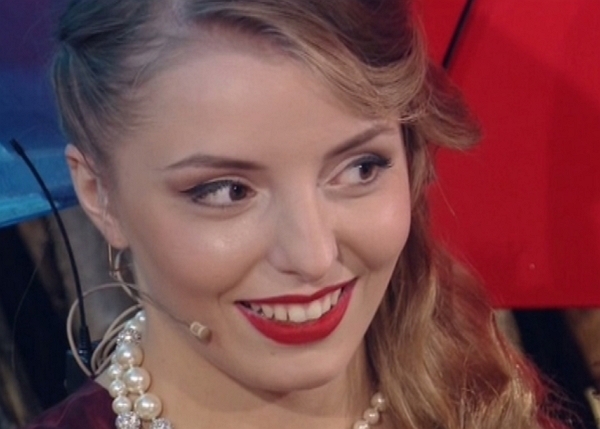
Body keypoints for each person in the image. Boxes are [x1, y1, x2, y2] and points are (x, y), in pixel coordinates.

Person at [25, 0, 568, 428]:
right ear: (100, 195)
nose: (313, 256)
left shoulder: (487, 401)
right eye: (226, 191)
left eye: (360, 168)